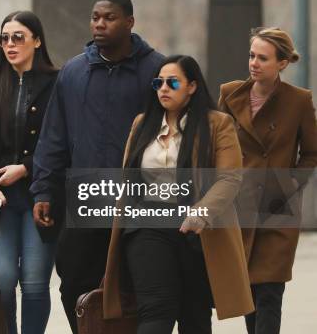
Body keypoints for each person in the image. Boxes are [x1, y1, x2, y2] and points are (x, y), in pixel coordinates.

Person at [30, 0, 164, 333]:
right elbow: (53, 136)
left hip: (137, 202)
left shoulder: (156, 70)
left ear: (130, 22)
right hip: (85, 198)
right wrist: (43, 190)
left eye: (109, 18)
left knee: (135, 290)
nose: (99, 24)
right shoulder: (74, 71)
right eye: (95, 18)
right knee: (74, 286)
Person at [102, 55, 254, 333]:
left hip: (196, 231)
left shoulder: (217, 124)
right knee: (156, 311)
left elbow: (230, 177)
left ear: (192, 86)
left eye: (172, 82)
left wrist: (201, 213)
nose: (163, 88)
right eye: (158, 83)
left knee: (194, 315)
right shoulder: (142, 123)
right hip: (146, 226)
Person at [218, 27, 317, 334]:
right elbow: (217, 145)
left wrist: (289, 185)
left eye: (263, 58)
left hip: (278, 209)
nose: (254, 63)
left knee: (270, 292)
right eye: (251, 55)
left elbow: (312, 153)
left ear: (282, 63)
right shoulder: (230, 93)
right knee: (249, 292)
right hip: (240, 206)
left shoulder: (298, 101)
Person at [0, 11, 58, 334]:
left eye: (18, 37)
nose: (10, 45)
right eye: (4, 38)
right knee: (3, 281)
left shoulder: (57, 83)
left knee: (36, 283)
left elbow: (61, 141)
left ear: (37, 41)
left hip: (40, 194)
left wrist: (26, 167)